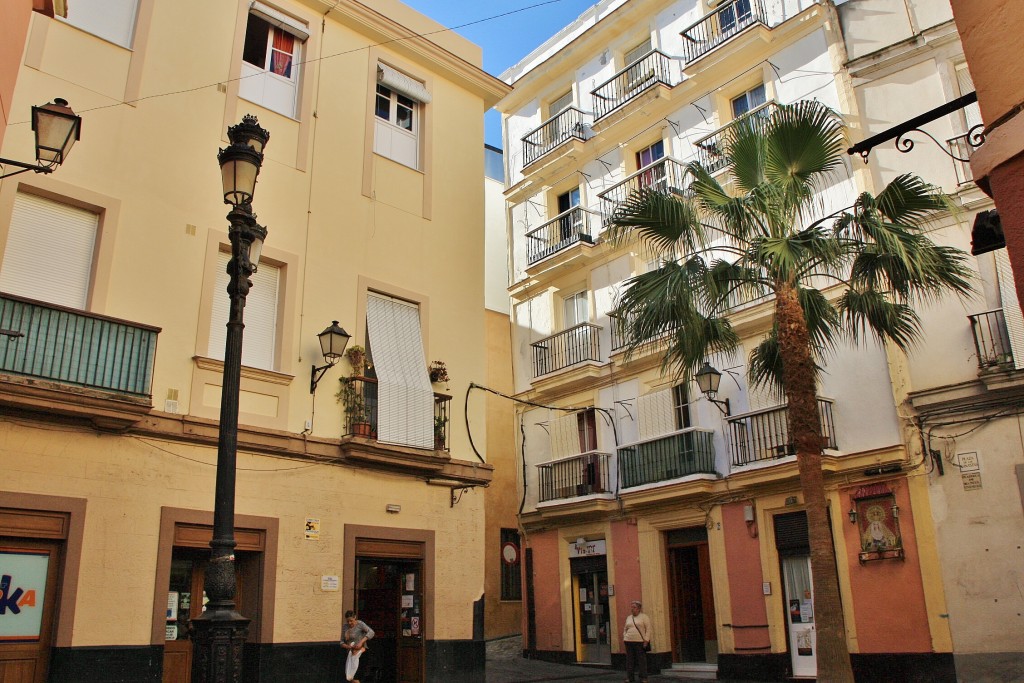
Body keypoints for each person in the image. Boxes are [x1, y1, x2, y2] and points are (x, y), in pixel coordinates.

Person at [622, 599, 652, 683]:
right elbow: (625, 628)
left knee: (641, 660)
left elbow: (648, 629)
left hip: (639, 641)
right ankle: (630, 677)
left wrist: (646, 640)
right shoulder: (629, 617)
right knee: (629, 660)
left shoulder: (644, 617)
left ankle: (643, 677)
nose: (632, 609)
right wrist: (625, 636)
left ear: (639, 608)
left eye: (634, 607)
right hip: (628, 641)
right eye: (631, 607)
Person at [341, 610, 374, 683]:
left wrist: (361, 642)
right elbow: (341, 642)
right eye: (348, 621)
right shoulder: (345, 627)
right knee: (350, 678)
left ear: (355, 617)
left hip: (361, 653)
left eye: (351, 621)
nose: (349, 623)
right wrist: (348, 646)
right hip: (351, 654)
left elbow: (371, 632)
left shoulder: (360, 624)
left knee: (357, 678)